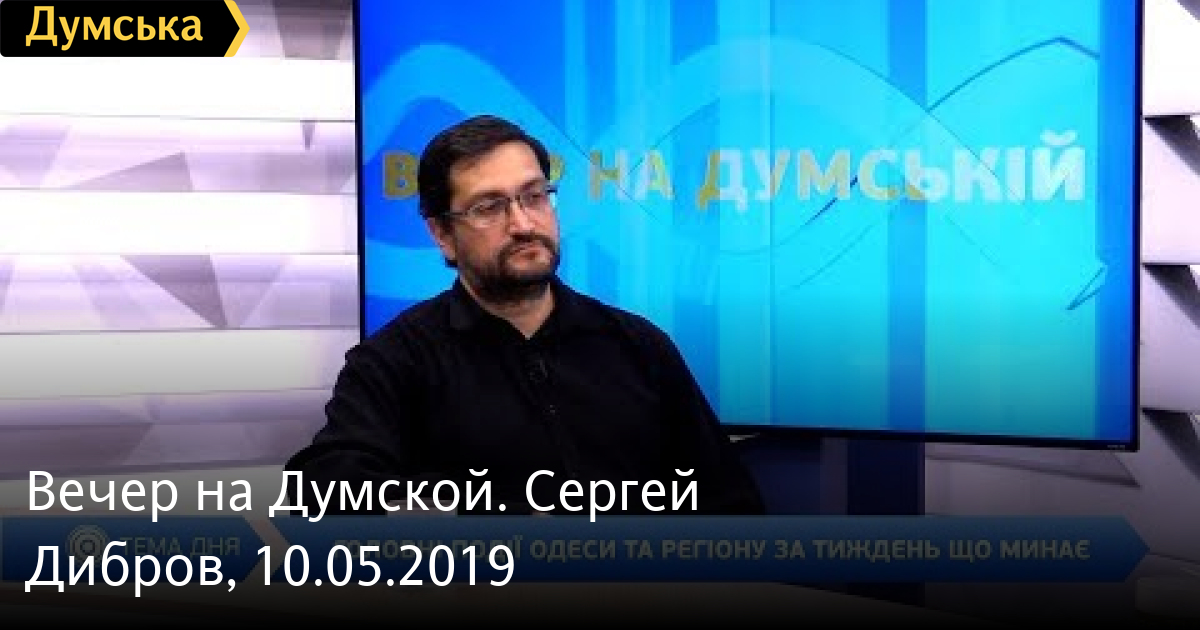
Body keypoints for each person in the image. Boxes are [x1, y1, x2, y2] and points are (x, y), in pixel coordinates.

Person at [284, 114, 765, 516]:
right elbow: (323, 488)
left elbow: (731, 507)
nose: (522, 223)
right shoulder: (395, 361)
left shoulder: (638, 346)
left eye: (534, 196)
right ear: (442, 235)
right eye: (489, 207)